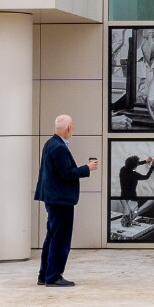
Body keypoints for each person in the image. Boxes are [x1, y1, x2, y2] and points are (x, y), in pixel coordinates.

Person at [34, 115, 96, 287]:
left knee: (52, 236)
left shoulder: (50, 144)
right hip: (61, 199)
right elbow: (66, 173)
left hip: (53, 198)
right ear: (70, 128)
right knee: (60, 239)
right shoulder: (59, 147)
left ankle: (44, 275)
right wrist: (87, 168)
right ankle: (53, 276)